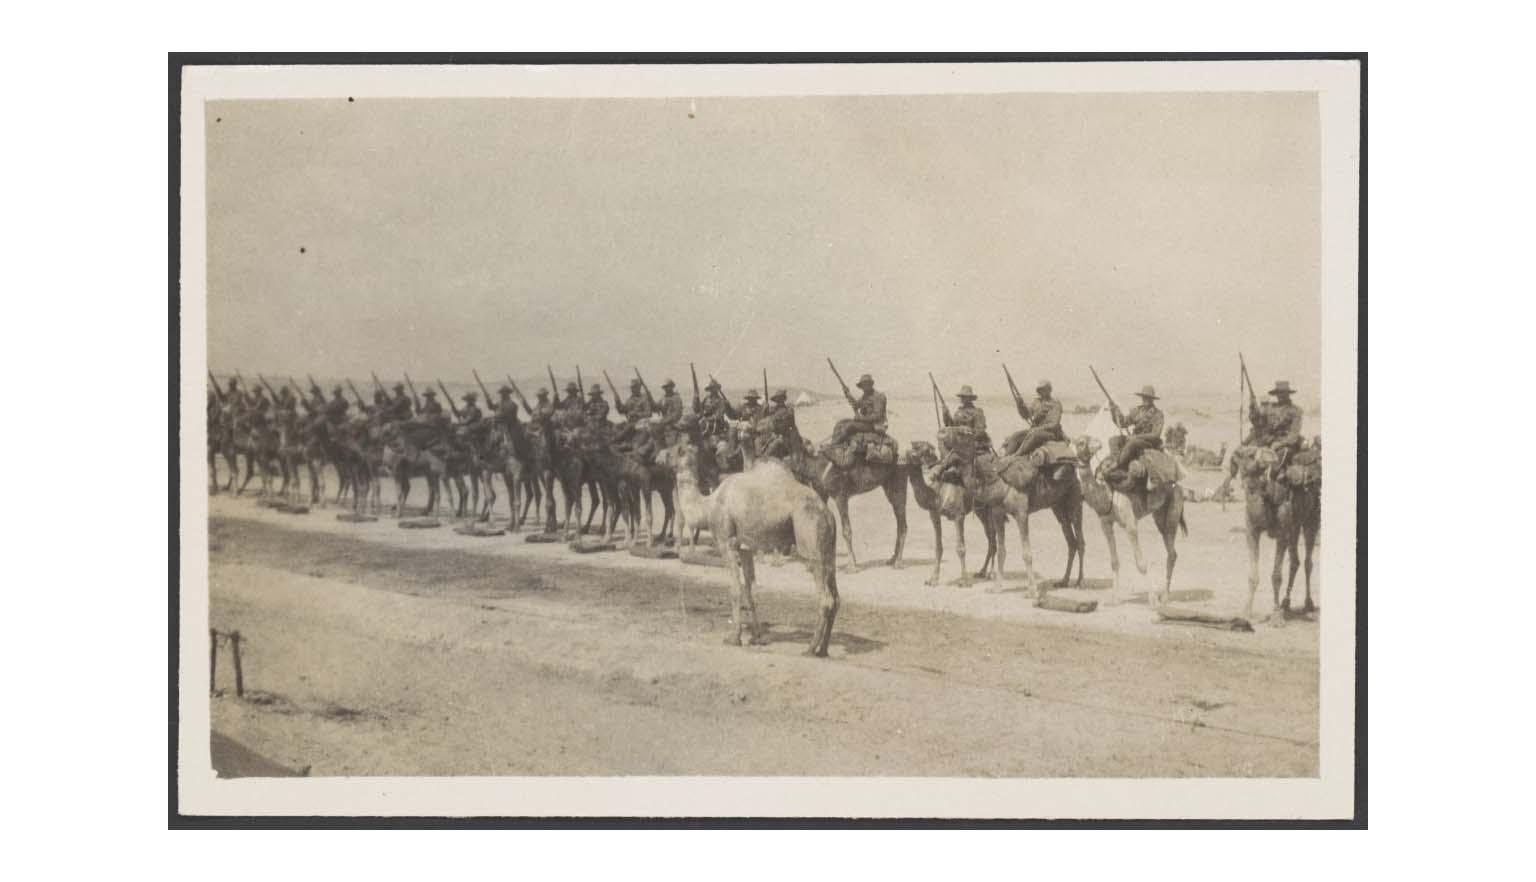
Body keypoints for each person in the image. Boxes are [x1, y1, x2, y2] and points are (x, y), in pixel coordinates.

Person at [1109, 385, 1165, 473]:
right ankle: (1117, 461)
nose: (1145, 399)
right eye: (1144, 397)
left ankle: (1117, 465)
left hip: (1148, 443)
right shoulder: (1137, 411)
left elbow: (1156, 435)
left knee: (1133, 442)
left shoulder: (1158, 415)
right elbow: (1123, 423)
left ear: (1152, 399)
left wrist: (1137, 437)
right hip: (1134, 439)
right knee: (1113, 440)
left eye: (1148, 398)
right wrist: (1114, 411)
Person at [1002, 379, 1064, 457]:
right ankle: (1005, 458)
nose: (1043, 391)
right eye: (1041, 389)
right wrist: (1020, 405)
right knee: (1016, 436)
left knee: (1035, 435)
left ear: (1049, 390)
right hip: (1035, 431)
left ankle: (1016, 455)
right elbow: (1026, 415)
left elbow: (1054, 424)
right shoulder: (1036, 402)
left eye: (1045, 389)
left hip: (1051, 434)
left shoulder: (1055, 404)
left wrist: (1038, 429)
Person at [830, 373, 887, 445]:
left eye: (866, 384)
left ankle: (834, 445)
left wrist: (861, 418)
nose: (864, 387)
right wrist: (847, 394)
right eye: (863, 385)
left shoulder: (877, 397)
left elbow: (877, 416)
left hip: (874, 426)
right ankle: (834, 444)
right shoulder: (864, 396)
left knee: (850, 426)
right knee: (840, 423)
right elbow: (856, 405)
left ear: (870, 384)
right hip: (865, 423)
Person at [760, 389, 802, 458]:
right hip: (776, 435)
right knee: (767, 451)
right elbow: (765, 420)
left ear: (784, 399)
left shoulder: (789, 409)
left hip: (789, 434)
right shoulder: (773, 410)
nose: (779, 401)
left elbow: (788, 422)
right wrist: (765, 410)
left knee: (796, 454)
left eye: (781, 399)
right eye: (778, 400)